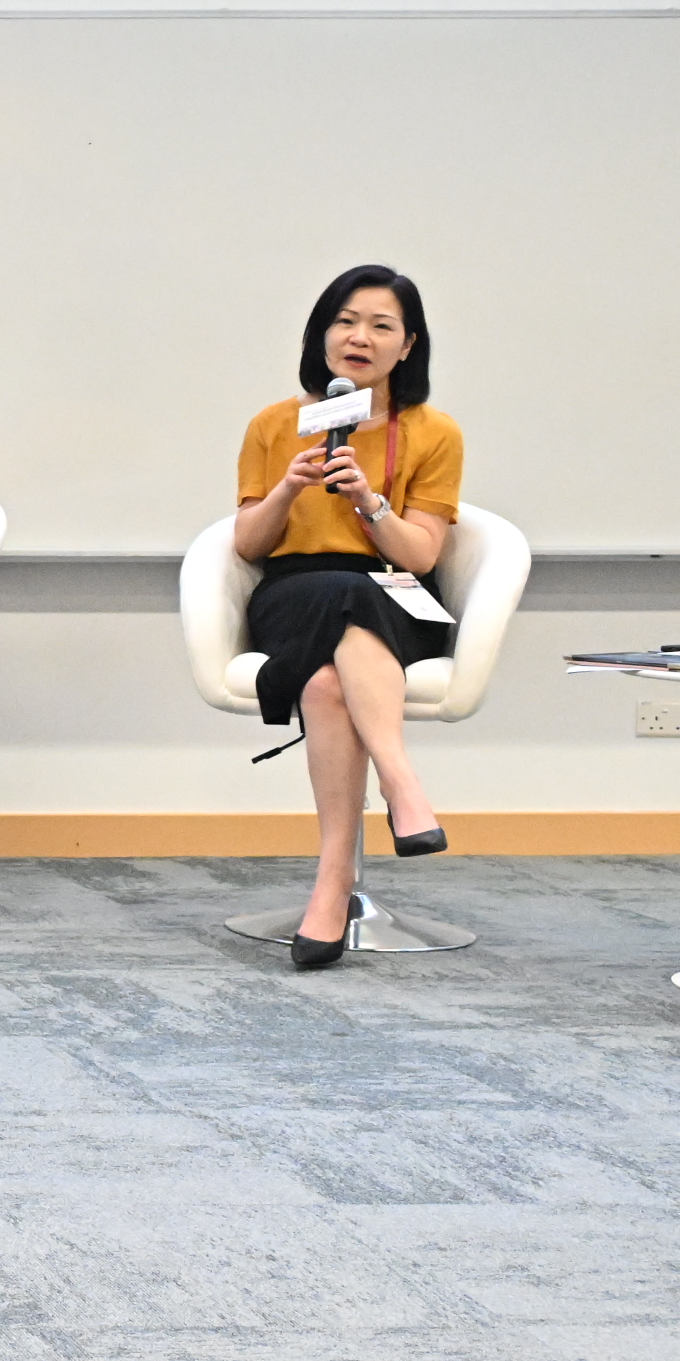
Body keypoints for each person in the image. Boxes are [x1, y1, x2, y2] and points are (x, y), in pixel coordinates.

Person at [231, 263, 464, 969]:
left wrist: (370, 502)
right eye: (345, 322)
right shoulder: (275, 424)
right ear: (322, 334)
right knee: (335, 592)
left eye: (381, 326)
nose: (359, 337)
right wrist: (287, 488)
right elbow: (248, 545)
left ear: (408, 345)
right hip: (294, 592)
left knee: (329, 680)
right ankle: (401, 783)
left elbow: (422, 554)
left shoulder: (434, 432)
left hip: (392, 591)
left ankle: (330, 887)